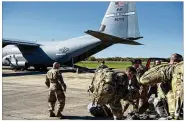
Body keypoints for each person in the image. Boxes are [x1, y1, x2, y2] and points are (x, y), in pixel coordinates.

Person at [139, 53, 183, 119]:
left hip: (174, 102)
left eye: (158, 62)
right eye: (157, 62)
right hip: (162, 94)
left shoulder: (169, 68)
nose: (158, 63)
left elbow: (144, 79)